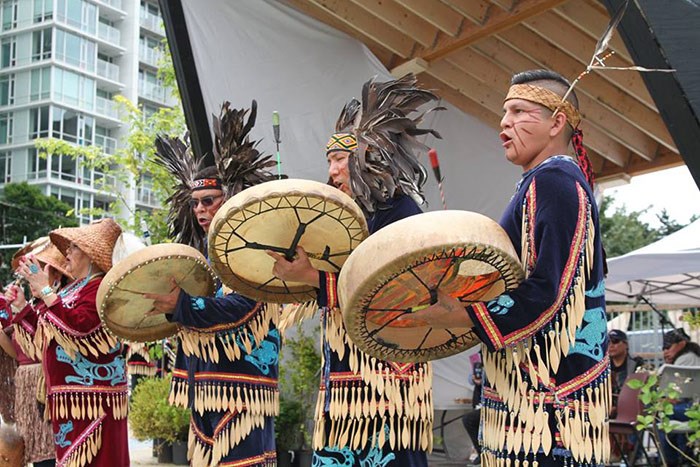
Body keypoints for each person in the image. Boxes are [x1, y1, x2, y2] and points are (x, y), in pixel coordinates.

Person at [396, 69, 609, 466]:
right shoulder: (543, 182)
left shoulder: (556, 183)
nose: (504, 123)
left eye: (518, 111)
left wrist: (466, 315)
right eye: (503, 113)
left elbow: (552, 291)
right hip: (535, 394)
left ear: (556, 122)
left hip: (548, 400)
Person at [268, 74, 440, 466]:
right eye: (329, 160)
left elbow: (395, 294)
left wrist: (313, 279)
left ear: (369, 157)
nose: (331, 172)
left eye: (339, 159)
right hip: (344, 376)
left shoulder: (402, 213)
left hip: (389, 381)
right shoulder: (342, 220)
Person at [147, 101, 281, 466]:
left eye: (209, 200)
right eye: (195, 204)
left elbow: (246, 305)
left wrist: (182, 307)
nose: (201, 210)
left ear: (231, 196)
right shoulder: (203, 255)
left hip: (241, 384)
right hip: (207, 380)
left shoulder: (253, 249)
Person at [16, 219, 130, 467]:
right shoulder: (75, 289)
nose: (66, 252)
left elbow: (80, 327)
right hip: (73, 398)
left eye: (73, 247)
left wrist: (45, 292)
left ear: (89, 254)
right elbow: (47, 334)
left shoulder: (102, 289)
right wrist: (22, 308)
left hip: (93, 398)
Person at [0, 241, 69, 467]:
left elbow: (44, 349)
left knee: (48, 455)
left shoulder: (57, 304)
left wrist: (22, 310)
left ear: (55, 274)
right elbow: (18, 354)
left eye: (36, 270)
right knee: (36, 456)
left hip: (46, 390)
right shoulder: (33, 305)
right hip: (27, 386)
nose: (30, 276)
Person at [658, 329, 700, 466]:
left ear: (681, 343)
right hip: (691, 408)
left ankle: (670, 461)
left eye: (668, 346)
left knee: (662, 412)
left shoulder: (685, 359)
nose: (665, 351)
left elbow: (672, 396)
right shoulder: (692, 356)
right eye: (663, 348)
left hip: (694, 409)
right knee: (673, 413)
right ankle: (684, 457)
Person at [608, 329, 645, 415]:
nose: (611, 346)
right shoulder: (603, 366)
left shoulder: (637, 364)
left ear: (626, 344)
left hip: (631, 407)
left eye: (615, 341)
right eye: (608, 343)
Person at [462, 360, 483, 465]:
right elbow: (470, 379)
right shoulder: (478, 358)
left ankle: (482, 452)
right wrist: (474, 378)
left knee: (469, 420)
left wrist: (483, 380)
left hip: (492, 404)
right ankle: (481, 451)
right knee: (471, 421)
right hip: (479, 401)